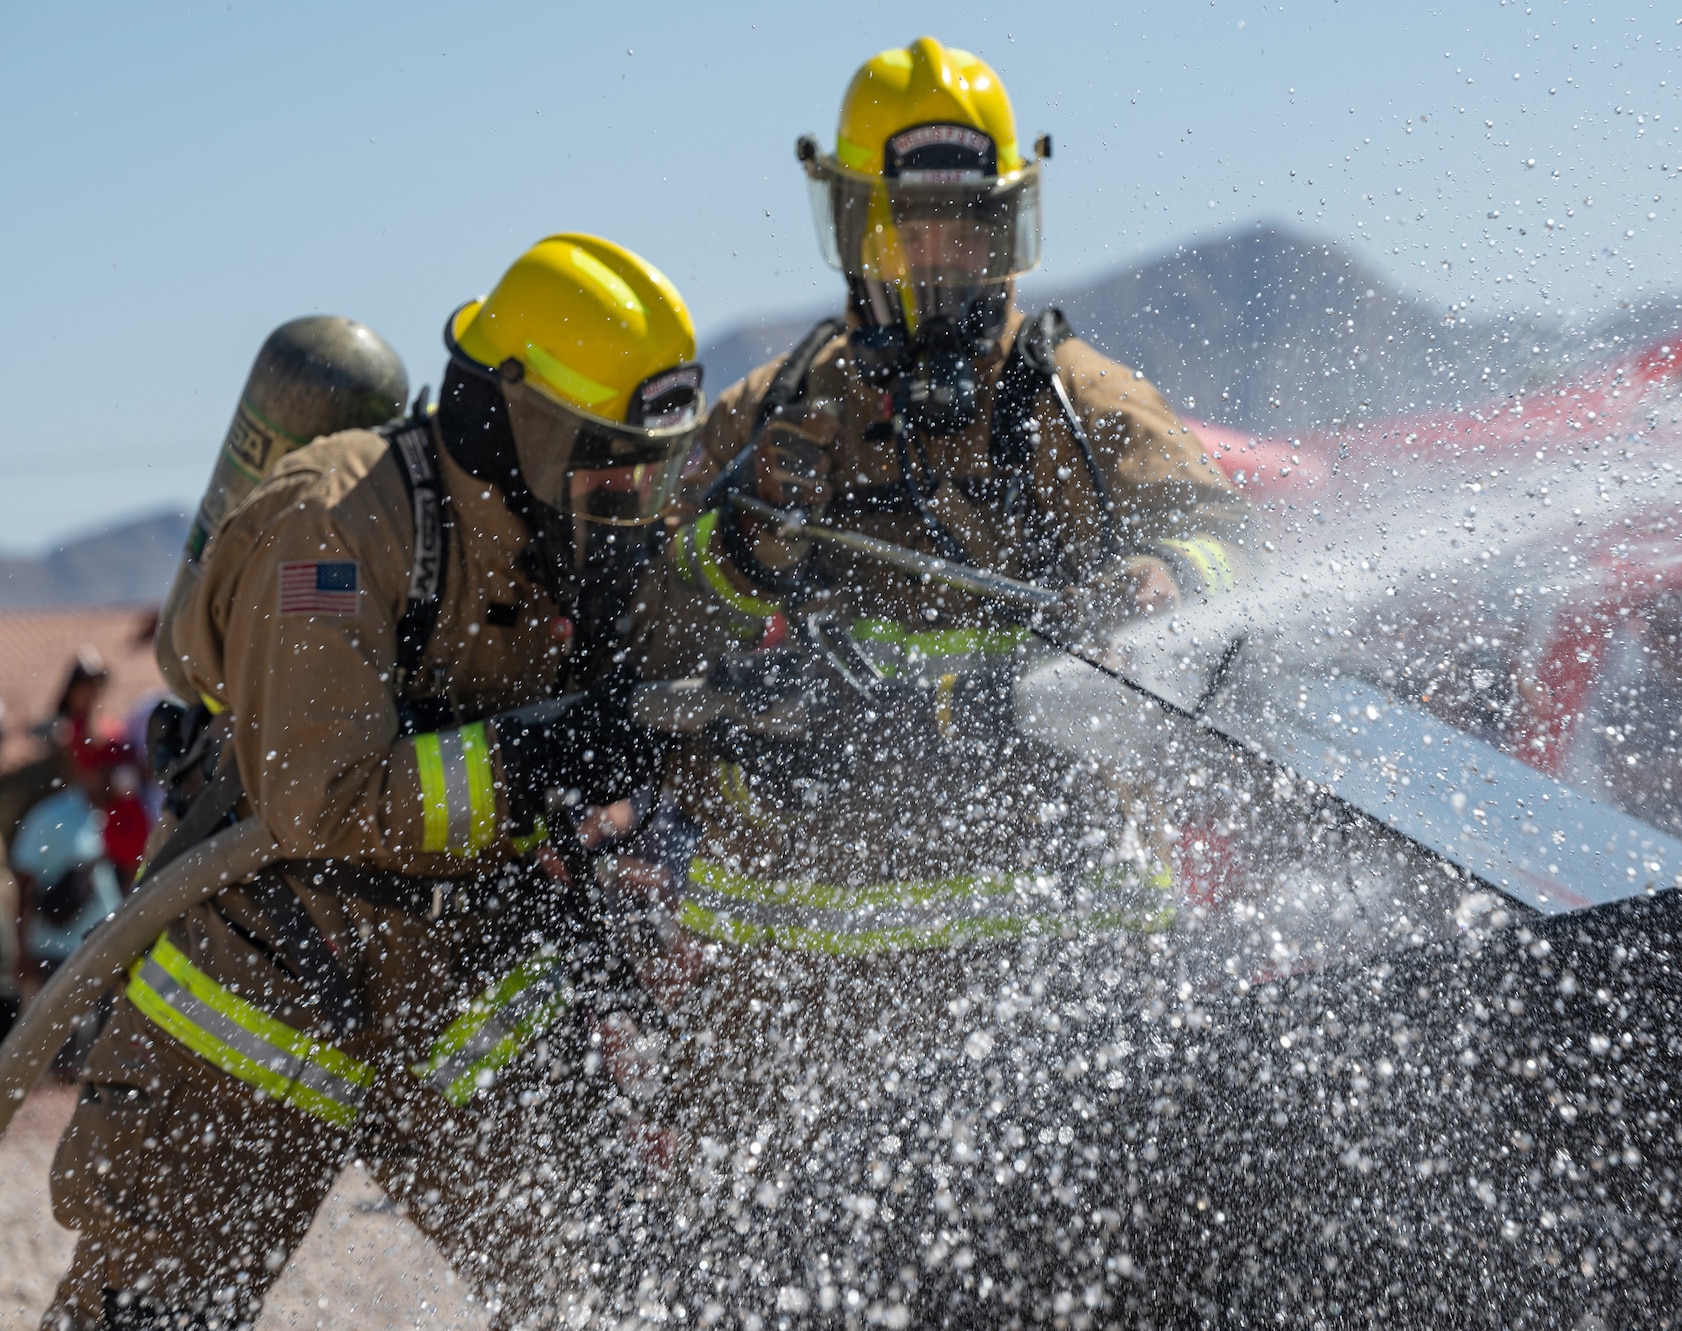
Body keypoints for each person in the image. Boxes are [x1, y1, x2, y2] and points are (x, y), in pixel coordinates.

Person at [630, 36, 1254, 1311]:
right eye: (910, 234)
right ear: (855, 230)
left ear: (1007, 226)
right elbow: (644, 603)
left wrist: (1160, 581)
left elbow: (1227, 545)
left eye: (966, 232)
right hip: (798, 980)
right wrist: (733, 562)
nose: (939, 263)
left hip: (1051, 942)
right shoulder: (772, 416)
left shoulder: (1078, 401)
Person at [43, 233, 705, 1331]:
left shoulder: (575, 523)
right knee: (152, 1312)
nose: (630, 498)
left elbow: (659, 675)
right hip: (259, 970)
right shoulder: (332, 522)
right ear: (521, 425)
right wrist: (538, 756)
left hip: (463, 971)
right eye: (609, 463)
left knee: (609, 1293)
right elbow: (320, 796)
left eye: (647, 468)